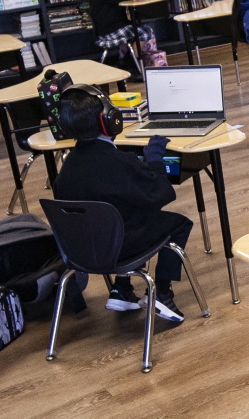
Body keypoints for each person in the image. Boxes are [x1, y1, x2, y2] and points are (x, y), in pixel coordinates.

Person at [52, 88, 193, 323]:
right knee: (178, 223)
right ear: (109, 120)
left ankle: (121, 289)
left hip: (83, 252)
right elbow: (161, 194)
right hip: (121, 248)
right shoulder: (120, 162)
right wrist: (155, 159)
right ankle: (162, 293)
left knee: (128, 212)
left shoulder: (66, 169)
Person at [88, 0, 136, 67]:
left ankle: (127, 61)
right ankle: (130, 64)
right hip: (109, 30)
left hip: (114, 26)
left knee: (139, 29)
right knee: (146, 32)